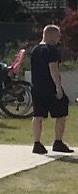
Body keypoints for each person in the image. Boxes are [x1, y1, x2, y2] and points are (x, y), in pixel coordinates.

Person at [29, 23, 71, 155]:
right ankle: (58, 142)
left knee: (38, 115)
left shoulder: (35, 50)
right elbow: (54, 70)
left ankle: (37, 143)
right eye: (57, 36)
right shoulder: (51, 50)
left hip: (37, 87)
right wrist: (58, 88)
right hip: (50, 87)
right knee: (61, 113)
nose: (59, 38)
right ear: (51, 35)